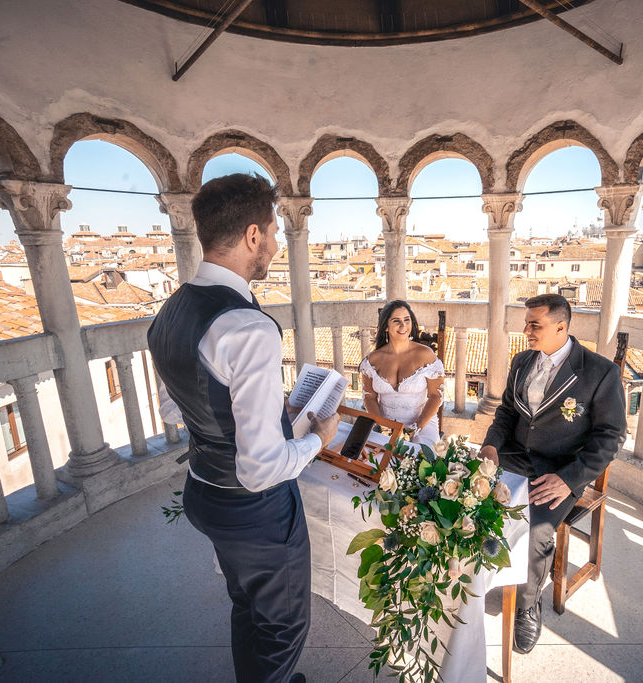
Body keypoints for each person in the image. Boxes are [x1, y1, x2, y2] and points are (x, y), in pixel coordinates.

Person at [147, 173, 339, 683]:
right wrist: (317, 439)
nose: (277, 244)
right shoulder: (249, 327)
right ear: (253, 235)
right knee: (283, 624)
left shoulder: (169, 310)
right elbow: (261, 470)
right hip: (253, 511)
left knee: (246, 603)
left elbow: (172, 410)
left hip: (204, 494)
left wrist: (241, 418)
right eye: (273, 232)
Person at [479, 293, 625, 654]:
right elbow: (507, 414)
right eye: (527, 322)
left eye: (535, 325)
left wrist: (569, 479)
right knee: (466, 499)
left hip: (560, 471)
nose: (525, 330)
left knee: (535, 530)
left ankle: (529, 604)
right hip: (511, 458)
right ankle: (475, 577)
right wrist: (491, 446)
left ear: (561, 326)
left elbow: (610, 436)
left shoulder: (600, 372)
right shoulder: (522, 361)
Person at [359, 300, 444, 446]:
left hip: (423, 423)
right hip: (384, 423)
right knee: (372, 460)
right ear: (386, 326)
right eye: (396, 321)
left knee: (421, 459)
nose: (403, 325)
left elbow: (436, 396)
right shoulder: (372, 361)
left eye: (407, 320)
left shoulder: (426, 355)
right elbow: (370, 398)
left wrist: (415, 428)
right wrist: (383, 426)